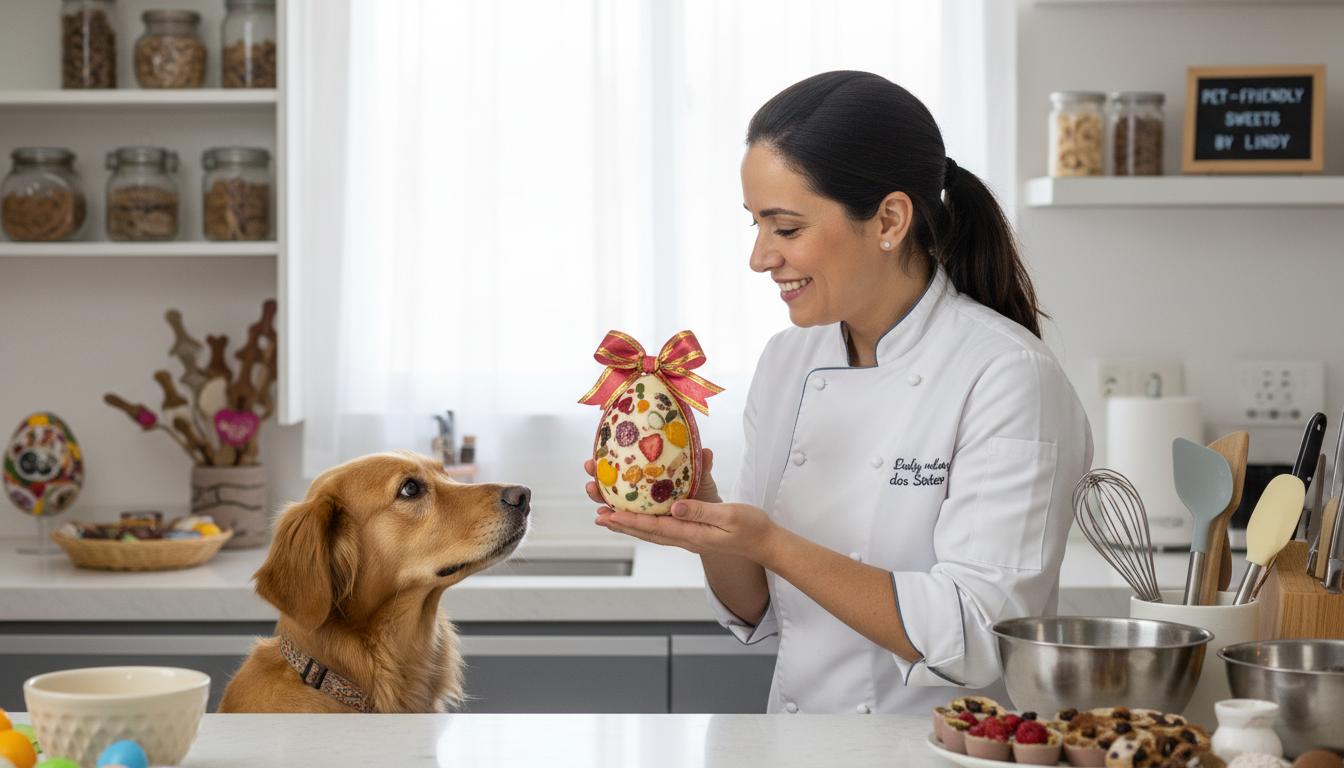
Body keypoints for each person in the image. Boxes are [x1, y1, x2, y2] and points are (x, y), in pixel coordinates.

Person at [584, 71, 1093, 715]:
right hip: (797, 745)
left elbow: (979, 635)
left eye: (786, 228)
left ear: (888, 220)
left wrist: (770, 542)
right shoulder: (786, 361)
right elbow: (761, 608)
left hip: (939, 753)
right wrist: (701, 516)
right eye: (755, 225)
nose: (760, 257)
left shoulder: (1007, 374)